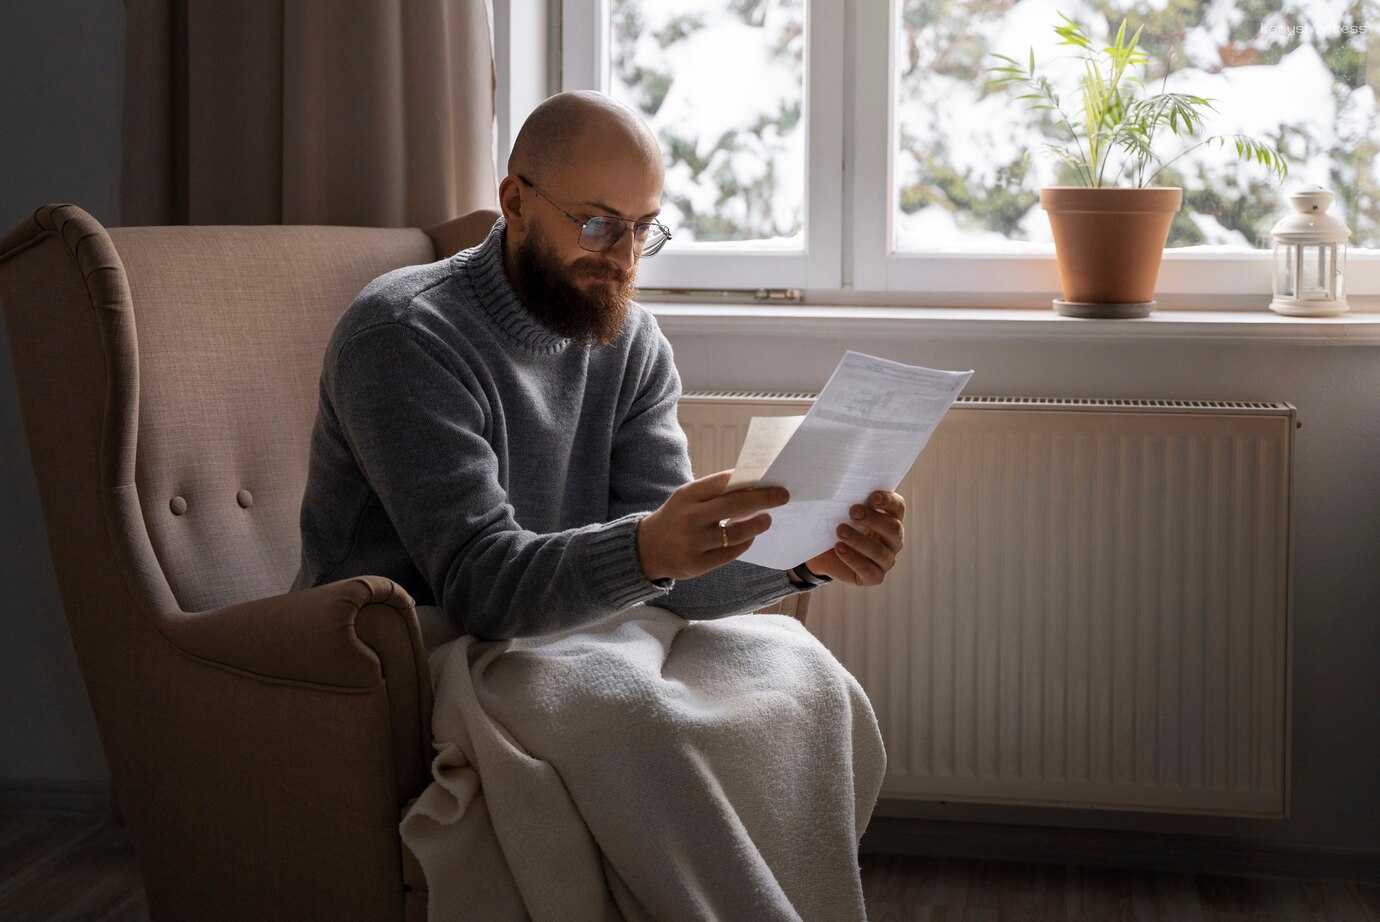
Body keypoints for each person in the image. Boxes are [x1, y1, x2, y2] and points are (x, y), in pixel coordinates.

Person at [290, 89, 907, 640]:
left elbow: (672, 578)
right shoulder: (404, 337)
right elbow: (478, 586)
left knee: (803, 687)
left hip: (561, 639)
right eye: (598, 224)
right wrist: (644, 551)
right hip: (397, 654)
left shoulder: (632, 344)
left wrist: (804, 561)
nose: (624, 257)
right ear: (515, 202)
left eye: (643, 229)